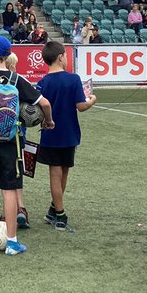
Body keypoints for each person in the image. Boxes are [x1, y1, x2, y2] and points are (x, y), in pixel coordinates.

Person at [0, 35, 53, 255]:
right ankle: (12, 242)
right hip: (12, 144)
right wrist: (48, 121)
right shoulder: (18, 80)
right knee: (9, 191)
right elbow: (44, 103)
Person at [36, 40, 96, 234]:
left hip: (50, 134)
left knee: (56, 172)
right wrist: (92, 100)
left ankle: (55, 208)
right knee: (62, 172)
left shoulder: (42, 82)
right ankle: (60, 214)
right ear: (61, 57)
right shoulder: (73, 79)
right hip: (69, 134)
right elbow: (81, 106)